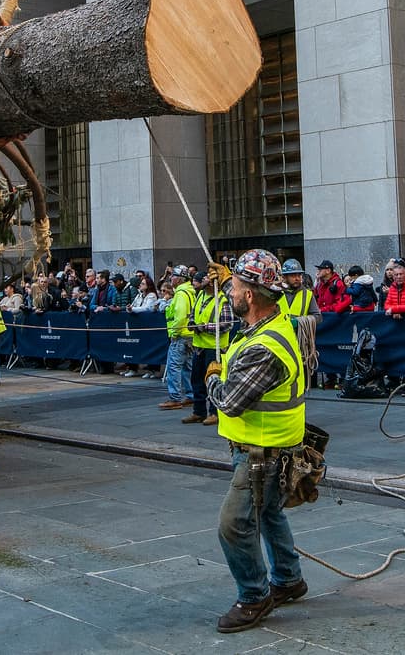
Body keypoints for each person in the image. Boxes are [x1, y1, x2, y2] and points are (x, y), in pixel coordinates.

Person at [203, 250, 308, 634]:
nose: (229, 291)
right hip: (265, 446)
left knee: (233, 525)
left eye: (233, 286)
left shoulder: (264, 349)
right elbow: (243, 318)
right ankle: (288, 579)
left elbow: (229, 401)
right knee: (269, 515)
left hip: (262, 452)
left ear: (249, 295)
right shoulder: (270, 325)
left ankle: (254, 596)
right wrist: (225, 277)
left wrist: (212, 378)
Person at [182, 272, 234, 426]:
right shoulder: (200, 296)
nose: (201, 281)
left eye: (205, 279)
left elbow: (227, 324)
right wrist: (192, 323)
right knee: (196, 380)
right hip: (199, 347)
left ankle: (214, 412)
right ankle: (198, 412)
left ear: (212, 283)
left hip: (215, 348)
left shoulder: (222, 300)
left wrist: (205, 327)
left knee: (213, 380)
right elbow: (193, 314)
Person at [159, 265, 196, 410]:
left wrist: (174, 333)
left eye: (173, 276)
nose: (171, 278)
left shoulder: (181, 294)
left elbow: (180, 317)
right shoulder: (191, 292)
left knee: (174, 367)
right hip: (190, 335)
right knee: (188, 367)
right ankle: (191, 395)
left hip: (180, 336)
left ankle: (175, 398)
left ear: (180, 279)